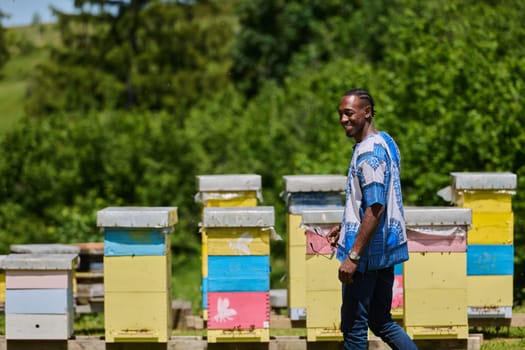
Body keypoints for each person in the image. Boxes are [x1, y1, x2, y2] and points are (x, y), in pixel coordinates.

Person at [327, 88, 417, 350]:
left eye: (349, 113)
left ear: (367, 112)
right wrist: (346, 227)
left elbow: (375, 208)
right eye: (341, 114)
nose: (343, 119)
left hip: (365, 257)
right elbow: (379, 200)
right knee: (381, 321)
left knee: (354, 331)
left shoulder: (369, 155)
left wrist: (353, 255)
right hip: (385, 249)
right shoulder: (386, 142)